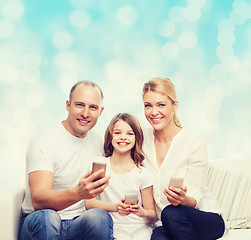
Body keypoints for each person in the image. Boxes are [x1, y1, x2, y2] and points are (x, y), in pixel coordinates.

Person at [19, 81, 114, 240]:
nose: (85, 113)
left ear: (101, 111)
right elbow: (39, 200)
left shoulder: (98, 140)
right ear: (68, 105)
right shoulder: (45, 141)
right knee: (48, 218)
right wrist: (78, 193)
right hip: (40, 223)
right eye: (79, 105)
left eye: (92, 107)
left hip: (77, 223)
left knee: (99, 217)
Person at [141, 77, 225, 240]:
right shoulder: (140, 140)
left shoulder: (194, 143)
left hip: (204, 219)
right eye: (148, 105)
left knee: (171, 212)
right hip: (164, 223)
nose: (153, 112)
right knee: (158, 237)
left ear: (175, 106)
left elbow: (195, 197)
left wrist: (183, 199)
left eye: (161, 105)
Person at [85, 113, 156, 240]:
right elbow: (89, 203)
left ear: (136, 139)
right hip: (111, 228)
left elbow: (151, 214)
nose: (123, 137)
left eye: (130, 133)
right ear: (110, 136)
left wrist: (142, 212)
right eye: (118, 133)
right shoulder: (100, 165)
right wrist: (116, 207)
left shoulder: (143, 174)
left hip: (139, 229)